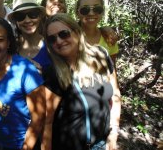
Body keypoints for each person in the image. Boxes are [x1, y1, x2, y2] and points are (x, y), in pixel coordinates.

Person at [42, 13, 121, 150]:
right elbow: (47, 123)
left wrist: (113, 132)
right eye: (52, 39)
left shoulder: (101, 56)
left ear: (77, 32)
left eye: (64, 34)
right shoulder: (53, 73)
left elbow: (115, 95)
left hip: (102, 143)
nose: (59, 41)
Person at [0, 16, 45, 150]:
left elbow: (39, 117)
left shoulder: (25, 70)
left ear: (8, 43)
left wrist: (26, 147)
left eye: (0, 40)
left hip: (20, 144)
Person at [8, 0, 51, 71]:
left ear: (40, 16)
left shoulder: (51, 44)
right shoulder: (10, 48)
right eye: (20, 16)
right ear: (15, 21)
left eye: (33, 14)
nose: (27, 20)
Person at [76, 0, 119, 64]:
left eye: (97, 9)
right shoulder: (68, 38)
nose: (91, 13)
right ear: (77, 12)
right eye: (85, 9)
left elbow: (112, 69)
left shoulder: (109, 38)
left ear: (102, 11)